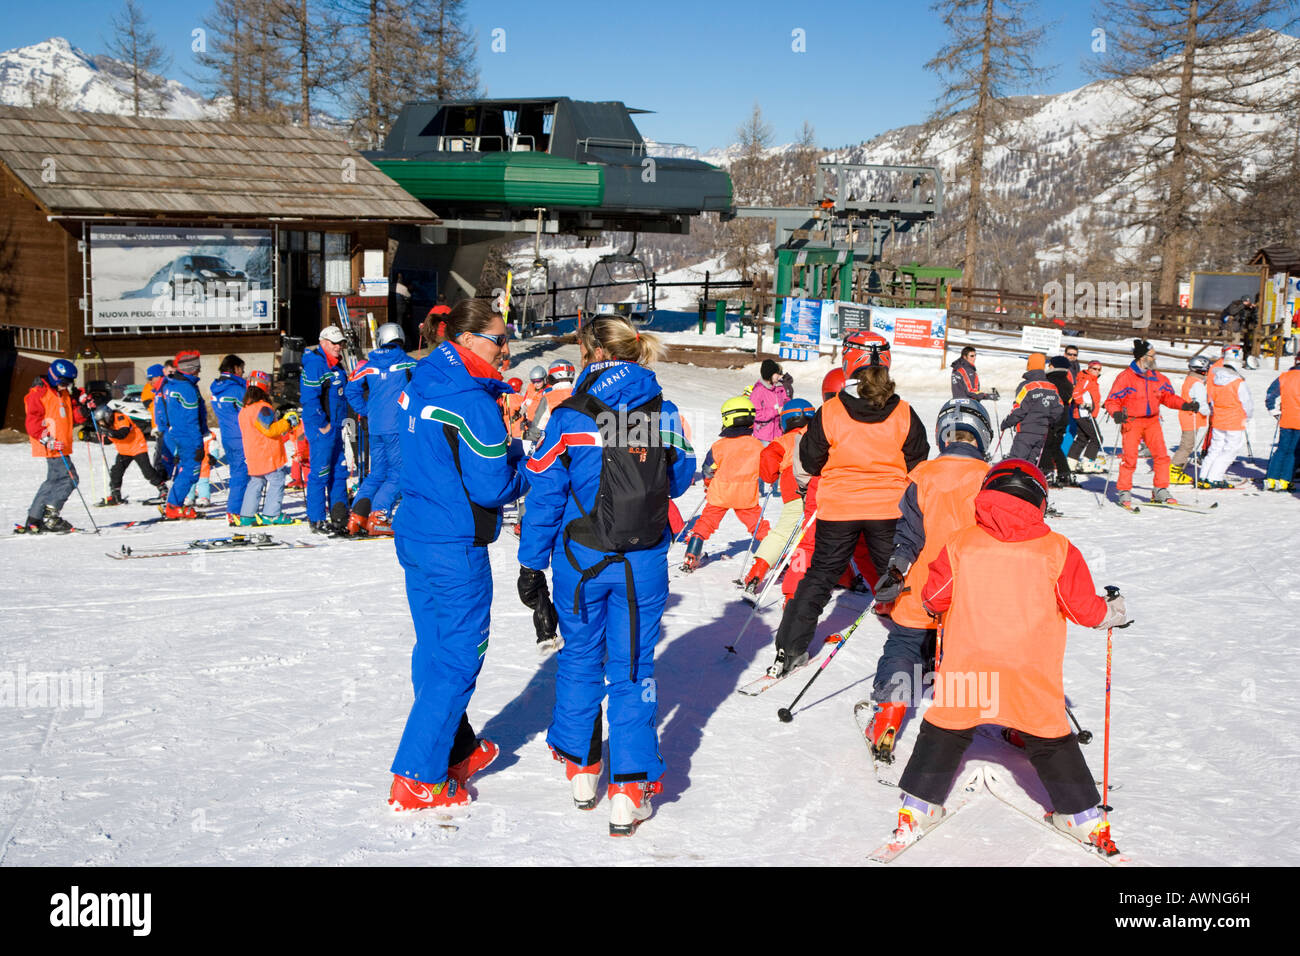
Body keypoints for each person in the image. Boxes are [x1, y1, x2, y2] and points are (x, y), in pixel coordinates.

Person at [887, 459, 1128, 853]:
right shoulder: (1057, 549)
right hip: (1029, 668)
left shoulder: (961, 542)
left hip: (970, 661)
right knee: (1049, 736)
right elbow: (1085, 610)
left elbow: (933, 598)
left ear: (986, 495)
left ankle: (917, 806)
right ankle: (1082, 818)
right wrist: (1114, 610)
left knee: (946, 728)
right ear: (1039, 500)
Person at [518, 314, 695, 836]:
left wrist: (531, 564)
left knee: (579, 659)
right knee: (633, 670)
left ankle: (582, 771)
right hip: (642, 561)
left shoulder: (569, 414)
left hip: (580, 559)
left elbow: (545, 495)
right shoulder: (664, 409)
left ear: (592, 352)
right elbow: (681, 480)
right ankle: (629, 788)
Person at [387, 298, 523, 811]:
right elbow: (492, 488)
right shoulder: (472, 401)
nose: (506, 349)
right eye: (498, 339)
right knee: (460, 657)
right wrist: (522, 462)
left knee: (434, 647)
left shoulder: (421, 378)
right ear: (466, 341)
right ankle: (417, 774)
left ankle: (456, 745)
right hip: (453, 544)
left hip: (417, 534)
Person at [768, 345, 930, 677]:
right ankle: (925, 650)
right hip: (888, 509)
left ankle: (790, 649)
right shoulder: (904, 412)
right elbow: (919, 462)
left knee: (820, 576)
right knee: (902, 576)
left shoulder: (831, 411)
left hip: (839, 508)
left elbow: (810, 461)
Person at [861, 399, 993, 761]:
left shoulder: (922, 475)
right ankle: (965, 716)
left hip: (919, 583)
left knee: (905, 645)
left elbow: (908, 534)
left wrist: (895, 568)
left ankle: (889, 715)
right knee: (967, 651)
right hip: (968, 587)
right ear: (982, 435)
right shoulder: (990, 479)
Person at [1103, 339, 1197, 507]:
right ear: (1142, 357)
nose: (1155, 359)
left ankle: (1160, 490)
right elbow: (1112, 400)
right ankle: (1124, 491)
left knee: (1161, 456)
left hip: (1152, 421)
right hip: (1132, 422)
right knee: (1130, 458)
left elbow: (1168, 397)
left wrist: (1185, 404)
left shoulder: (1158, 377)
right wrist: (1116, 413)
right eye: (1152, 355)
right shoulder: (1125, 377)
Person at [681, 395, 770, 571]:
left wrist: (708, 483)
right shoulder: (757, 446)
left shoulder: (719, 446)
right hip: (746, 497)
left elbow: (708, 468)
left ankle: (692, 554)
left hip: (719, 494)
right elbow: (766, 469)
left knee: (706, 523)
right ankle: (772, 555)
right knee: (758, 525)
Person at [344, 323, 417, 536]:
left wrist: (365, 411)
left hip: (375, 426)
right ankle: (379, 515)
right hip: (397, 426)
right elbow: (425, 383)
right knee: (398, 473)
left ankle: (357, 517)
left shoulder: (367, 364)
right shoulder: (406, 362)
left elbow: (351, 390)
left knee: (376, 473)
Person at [744, 398, 815, 594]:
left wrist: (771, 475)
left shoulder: (783, 441)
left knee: (784, 532)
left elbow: (767, 459)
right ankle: (846, 577)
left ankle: (757, 571)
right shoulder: (819, 437)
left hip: (793, 486)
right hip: (821, 487)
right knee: (821, 534)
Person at [21, 359, 87, 533]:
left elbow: (73, 417)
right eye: (64, 383)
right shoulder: (39, 394)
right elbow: (32, 422)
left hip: (60, 444)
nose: (66, 387)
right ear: (54, 377)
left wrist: (84, 410)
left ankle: (34, 519)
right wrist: (47, 440)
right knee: (70, 478)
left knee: (52, 482)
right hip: (51, 444)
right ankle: (51, 517)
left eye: (69, 383)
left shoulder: (62, 393)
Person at [301, 326, 351, 533]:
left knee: (339, 471)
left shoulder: (336, 365)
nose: (338, 347)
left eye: (340, 343)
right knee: (320, 473)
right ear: (323, 343)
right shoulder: (315, 365)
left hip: (336, 427)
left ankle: (339, 515)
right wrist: (323, 424)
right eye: (334, 343)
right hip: (322, 429)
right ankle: (316, 518)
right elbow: (309, 400)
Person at [237, 371, 299, 525]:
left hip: (253, 453)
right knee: (277, 480)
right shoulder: (262, 408)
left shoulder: (245, 408)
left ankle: (247, 515)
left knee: (256, 482)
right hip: (267, 453)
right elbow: (270, 429)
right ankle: (271, 514)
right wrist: (288, 421)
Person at [162, 350, 209, 520]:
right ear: (191, 369)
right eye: (197, 368)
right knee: (191, 472)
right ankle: (173, 506)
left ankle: (173, 503)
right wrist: (198, 444)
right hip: (188, 437)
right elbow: (191, 421)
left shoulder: (171, 383)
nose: (199, 371)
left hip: (177, 434)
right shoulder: (187, 388)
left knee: (186, 470)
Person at [1198, 356, 1254, 489]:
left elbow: (1211, 400)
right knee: (1230, 450)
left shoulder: (1216, 381)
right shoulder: (1238, 382)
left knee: (1215, 448)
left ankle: (1204, 476)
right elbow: (1247, 402)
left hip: (1218, 420)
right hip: (1235, 421)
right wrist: (1248, 417)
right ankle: (1214, 477)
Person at [94, 404, 166, 505]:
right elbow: (108, 440)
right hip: (124, 450)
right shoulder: (108, 425)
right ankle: (115, 495)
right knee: (116, 471)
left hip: (137, 446)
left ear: (107, 416)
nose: (102, 424)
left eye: (102, 421)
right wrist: (96, 437)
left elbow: (123, 433)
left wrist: (108, 432)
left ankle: (164, 490)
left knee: (147, 471)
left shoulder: (120, 417)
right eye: (99, 422)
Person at [1000, 353, 1063, 466]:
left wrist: (1007, 422)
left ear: (1029, 365)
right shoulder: (1052, 387)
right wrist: (1049, 421)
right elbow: (1059, 409)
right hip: (1042, 432)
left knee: (1017, 462)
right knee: (1030, 464)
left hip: (1026, 431)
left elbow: (1019, 409)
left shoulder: (1026, 386)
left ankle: (1013, 482)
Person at [210, 354, 248, 526]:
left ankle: (239, 508)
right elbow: (248, 412)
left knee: (236, 473)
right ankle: (235, 511)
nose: (243, 372)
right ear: (235, 368)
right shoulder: (237, 390)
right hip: (240, 436)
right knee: (241, 474)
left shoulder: (217, 387)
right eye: (242, 369)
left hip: (227, 435)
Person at [1170, 355, 1210, 485]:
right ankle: (1173, 471)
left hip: (1188, 416)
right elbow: (1202, 403)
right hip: (1190, 417)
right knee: (1187, 445)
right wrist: (1210, 411)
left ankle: (1177, 469)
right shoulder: (1197, 384)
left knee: (1187, 444)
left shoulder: (1191, 380)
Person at [1265, 353, 1300, 490]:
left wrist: (1274, 411)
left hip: (1286, 418)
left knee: (1281, 449)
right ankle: (1285, 480)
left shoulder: (1284, 376)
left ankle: (1271, 479)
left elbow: (1270, 394)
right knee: (1294, 452)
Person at [1040, 356, 1075, 487]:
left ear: (1053, 366)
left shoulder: (1049, 381)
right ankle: (1064, 473)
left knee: (1046, 445)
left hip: (1051, 416)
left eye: (1050, 364)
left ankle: (1047, 472)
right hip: (1063, 417)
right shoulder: (1067, 381)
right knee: (1056, 445)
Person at [1067, 359, 1107, 474]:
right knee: (1097, 438)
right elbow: (1076, 393)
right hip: (1084, 414)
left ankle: (1071, 462)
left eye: (1099, 369)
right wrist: (1083, 404)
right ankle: (1088, 463)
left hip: (1085, 413)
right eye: (1094, 368)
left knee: (1082, 438)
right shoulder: (1086, 379)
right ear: (1089, 368)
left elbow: (1090, 398)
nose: (1096, 371)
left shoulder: (1092, 381)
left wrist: (1102, 405)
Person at [523, 359, 576, 442]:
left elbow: (537, 430)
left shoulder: (549, 397)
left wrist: (528, 436)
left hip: (556, 443)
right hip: (578, 442)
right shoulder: (580, 393)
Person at [145, 360, 175, 489]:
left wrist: (165, 426)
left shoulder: (165, 389)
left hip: (169, 430)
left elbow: (170, 410)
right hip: (161, 429)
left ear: (159, 376)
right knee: (161, 459)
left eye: (152, 378)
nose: (150, 381)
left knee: (165, 460)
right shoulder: (156, 391)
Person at [751, 359, 790, 443]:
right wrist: (776, 411)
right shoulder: (758, 391)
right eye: (777, 374)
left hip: (779, 434)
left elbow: (786, 400)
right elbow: (755, 414)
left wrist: (788, 405)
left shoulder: (779, 388)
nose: (779, 376)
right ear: (769, 374)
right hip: (764, 436)